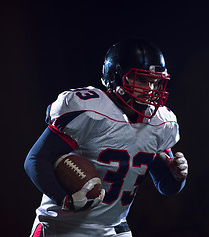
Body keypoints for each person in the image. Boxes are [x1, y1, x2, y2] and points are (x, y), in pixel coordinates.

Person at [24, 39, 188, 237]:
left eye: (155, 82)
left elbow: (166, 186)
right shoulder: (90, 111)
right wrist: (63, 199)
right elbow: (36, 159)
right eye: (142, 80)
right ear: (116, 77)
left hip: (113, 229)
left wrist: (177, 176)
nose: (151, 89)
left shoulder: (160, 123)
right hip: (62, 227)